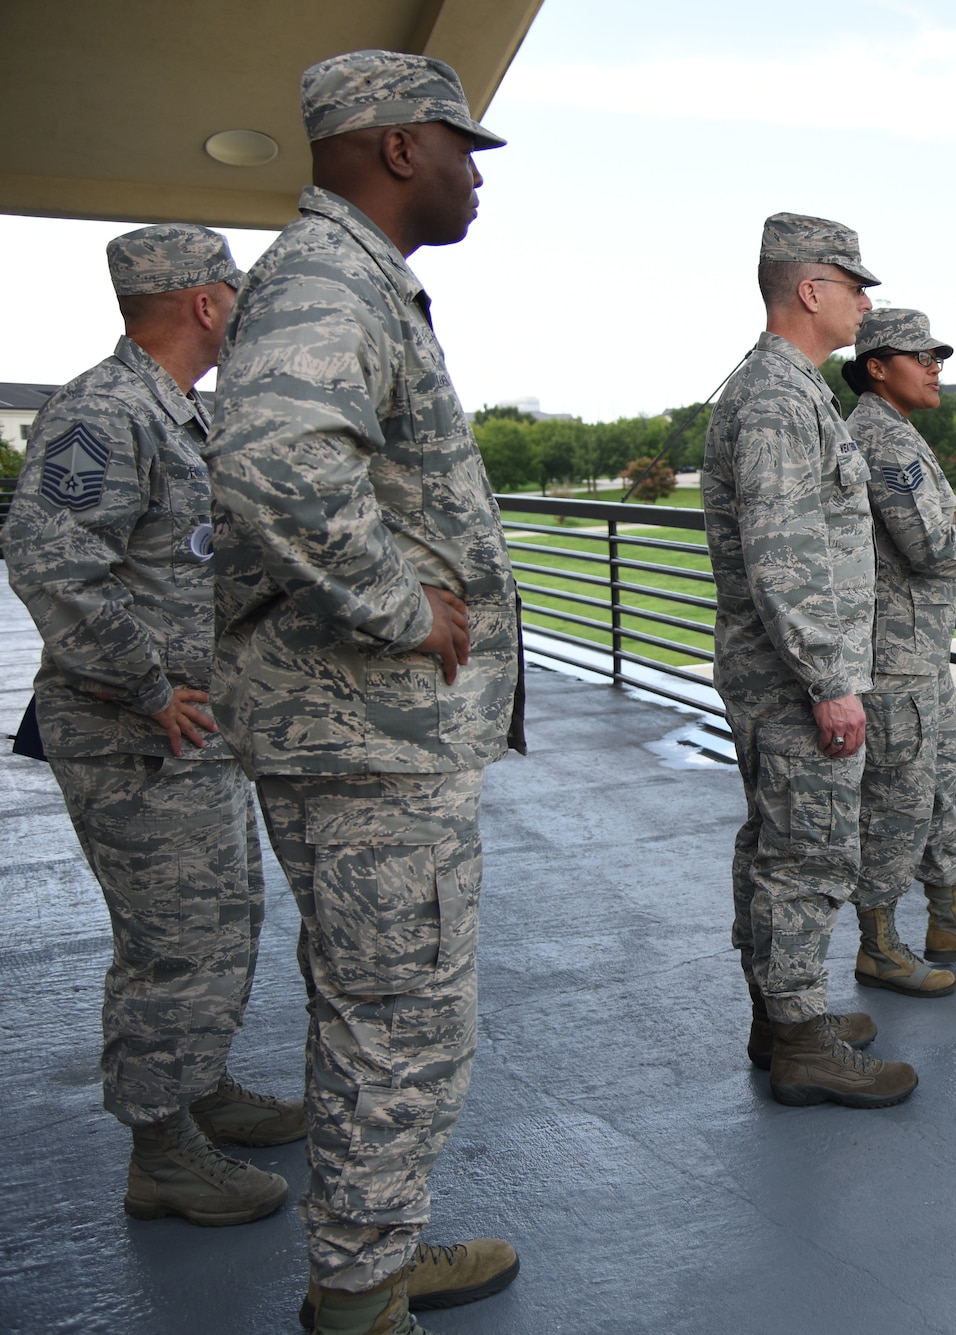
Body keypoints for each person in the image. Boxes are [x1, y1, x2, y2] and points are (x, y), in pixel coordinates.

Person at [204, 51, 524, 1335]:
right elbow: (275, 456)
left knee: (379, 1002)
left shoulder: (349, 280)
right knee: (398, 1013)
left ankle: (371, 1249)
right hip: (365, 730)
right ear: (398, 147)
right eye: (461, 149)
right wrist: (399, 605)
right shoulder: (334, 277)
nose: (472, 176)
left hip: (364, 732)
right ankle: (356, 1293)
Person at [1, 225, 304, 1230]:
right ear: (204, 302)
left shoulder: (177, 412)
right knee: (174, 939)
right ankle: (162, 1150)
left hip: (192, 730)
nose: (240, 306)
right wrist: (144, 686)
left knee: (225, 921)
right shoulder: (105, 408)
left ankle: (198, 1086)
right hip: (135, 732)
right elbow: (47, 556)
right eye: (233, 289)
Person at [703, 213, 917, 1109]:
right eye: (854, 283)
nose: (866, 301)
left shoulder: (788, 391)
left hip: (781, 672)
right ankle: (800, 1041)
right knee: (808, 857)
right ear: (810, 290)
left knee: (777, 848)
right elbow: (785, 556)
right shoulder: (780, 399)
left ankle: (782, 1013)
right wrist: (832, 683)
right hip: (797, 680)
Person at [838, 310, 956, 998]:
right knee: (896, 804)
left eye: (938, 355)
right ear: (876, 367)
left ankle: (946, 919)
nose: (935, 366)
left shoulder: (898, 433)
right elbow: (933, 554)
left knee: (949, 784)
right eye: (919, 355)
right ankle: (879, 946)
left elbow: (910, 538)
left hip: (920, 655)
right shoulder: (881, 438)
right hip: (894, 663)